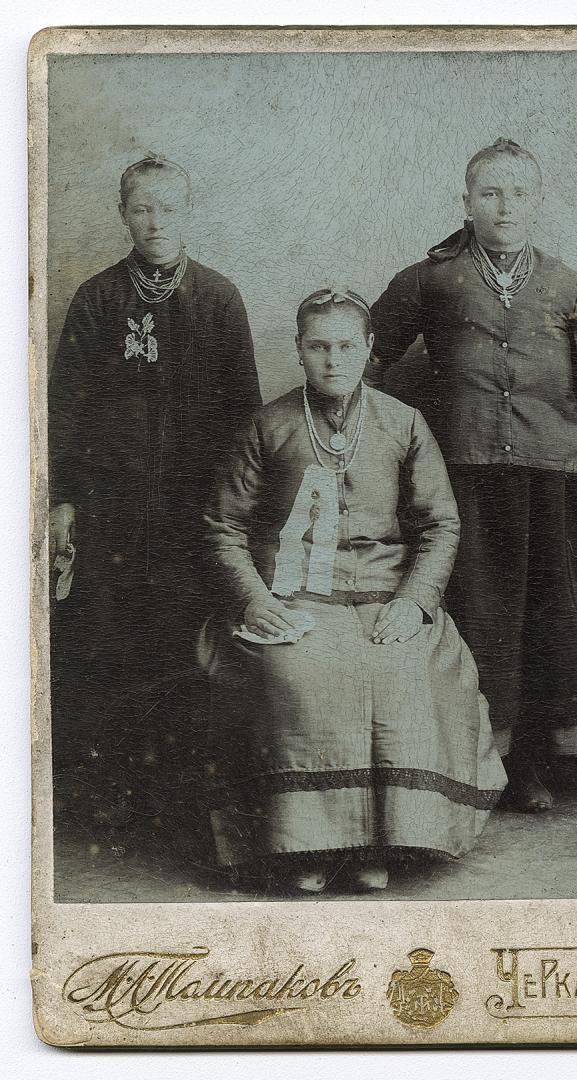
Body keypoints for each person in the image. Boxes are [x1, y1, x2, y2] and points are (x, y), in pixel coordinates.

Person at [366, 138, 577, 813]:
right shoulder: (430, 280)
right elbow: (366, 360)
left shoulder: (567, 287)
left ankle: (531, 766)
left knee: (551, 625)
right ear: (464, 201)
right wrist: (378, 447)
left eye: (517, 192)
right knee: (482, 624)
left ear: (536, 201)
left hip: (555, 483)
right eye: (489, 193)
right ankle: (471, 766)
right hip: (465, 479)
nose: (504, 206)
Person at [201, 288, 506, 894]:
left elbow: (441, 523)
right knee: (297, 674)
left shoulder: (403, 423)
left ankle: (377, 842)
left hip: (384, 599)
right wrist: (256, 602)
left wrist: (414, 601)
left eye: (346, 346)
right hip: (292, 600)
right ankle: (304, 847)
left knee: (398, 668)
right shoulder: (269, 425)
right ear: (299, 350)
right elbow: (223, 526)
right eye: (319, 346)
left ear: (368, 349)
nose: (333, 359)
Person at [48, 155, 262, 820]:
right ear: (123, 215)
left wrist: (240, 506)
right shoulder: (98, 299)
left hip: (192, 512)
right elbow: (65, 408)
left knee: (184, 637)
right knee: (107, 639)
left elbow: (245, 411)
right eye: (142, 208)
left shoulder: (218, 298)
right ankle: (108, 787)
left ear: (188, 213)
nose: (155, 221)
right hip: (113, 509)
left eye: (168, 208)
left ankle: (180, 792)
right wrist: (63, 497)